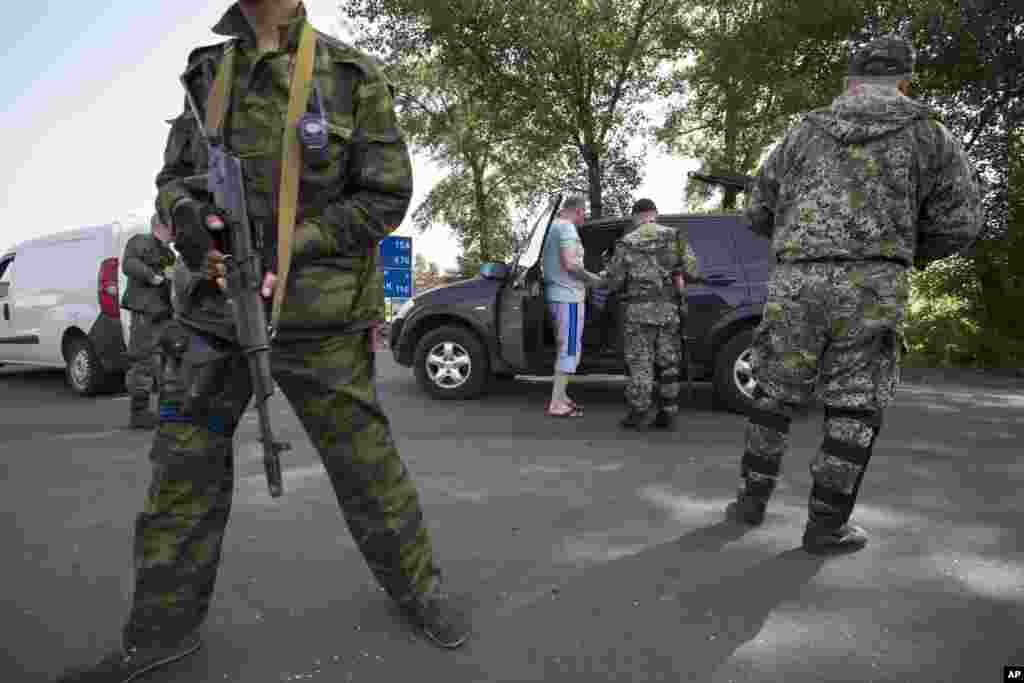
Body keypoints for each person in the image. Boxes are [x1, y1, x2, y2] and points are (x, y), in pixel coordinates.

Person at [57, 2, 468, 681]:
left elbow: (386, 197)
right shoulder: (206, 73)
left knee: (367, 470)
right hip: (213, 314)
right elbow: (171, 183)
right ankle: (158, 634)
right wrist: (186, 215)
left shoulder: (349, 73)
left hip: (319, 319)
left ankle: (420, 590)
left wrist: (293, 242)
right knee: (181, 474)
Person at [724, 35, 983, 554]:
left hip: (798, 281)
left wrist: (800, 244)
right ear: (906, 83)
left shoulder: (802, 133)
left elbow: (756, 211)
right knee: (855, 405)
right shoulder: (929, 136)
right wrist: (905, 251)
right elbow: (961, 222)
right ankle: (826, 525)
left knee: (773, 393)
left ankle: (749, 502)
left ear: (850, 82)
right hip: (873, 285)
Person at [602, 198, 699, 430]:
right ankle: (668, 412)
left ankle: (639, 412)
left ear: (635, 216)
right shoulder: (676, 237)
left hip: (638, 313)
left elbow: (615, 282)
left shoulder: (627, 242)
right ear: (655, 213)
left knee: (641, 362)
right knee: (668, 363)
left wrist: (608, 271)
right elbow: (693, 270)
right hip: (668, 311)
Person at [541, 195, 603, 418]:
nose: (584, 217)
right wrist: (594, 279)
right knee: (569, 350)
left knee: (564, 347)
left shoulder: (552, 227)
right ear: (577, 211)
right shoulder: (567, 228)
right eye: (583, 212)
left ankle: (562, 396)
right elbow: (570, 264)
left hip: (556, 295)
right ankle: (557, 404)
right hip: (569, 297)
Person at [120, 214, 176, 429]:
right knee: (143, 362)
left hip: (165, 314)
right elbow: (129, 264)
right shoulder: (140, 241)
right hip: (146, 313)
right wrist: (152, 276)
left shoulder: (169, 253)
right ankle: (139, 413)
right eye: (172, 226)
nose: (175, 231)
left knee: (168, 364)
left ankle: (167, 412)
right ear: (162, 226)